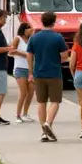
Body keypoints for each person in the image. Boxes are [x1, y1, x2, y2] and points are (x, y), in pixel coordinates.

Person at [26, 11, 69, 143]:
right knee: (55, 101)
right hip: (54, 73)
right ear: (53, 22)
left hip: (39, 73)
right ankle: (48, 124)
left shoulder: (34, 38)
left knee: (41, 102)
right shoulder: (57, 37)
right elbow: (64, 56)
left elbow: (29, 55)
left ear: (42, 21)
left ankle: (43, 133)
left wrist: (30, 72)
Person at [9, 23, 35, 123]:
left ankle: (25, 113)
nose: (31, 31)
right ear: (24, 30)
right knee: (23, 92)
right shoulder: (18, 39)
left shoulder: (32, 40)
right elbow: (11, 51)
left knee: (31, 93)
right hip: (20, 68)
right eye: (29, 29)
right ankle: (18, 115)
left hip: (31, 69)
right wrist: (25, 54)